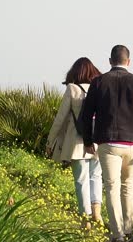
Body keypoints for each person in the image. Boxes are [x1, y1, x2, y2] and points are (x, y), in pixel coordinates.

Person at [79, 45, 133, 242]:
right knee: (128, 187)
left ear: (110, 61)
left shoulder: (98, 82)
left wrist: (88, 141)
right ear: (128, 61)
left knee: (112, 187)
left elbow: (85, 116)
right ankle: (128, 229)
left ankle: (117, 235)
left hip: (108, 143)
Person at [46, 57, 104, 229]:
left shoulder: (72, 88)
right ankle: (97, 213)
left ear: (75, 72)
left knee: (81, 180)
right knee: (96, 177)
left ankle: (85, 219)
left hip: (77, 142)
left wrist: (50, 141)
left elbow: (60, 118)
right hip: (98, 141)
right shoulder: (99, 88)